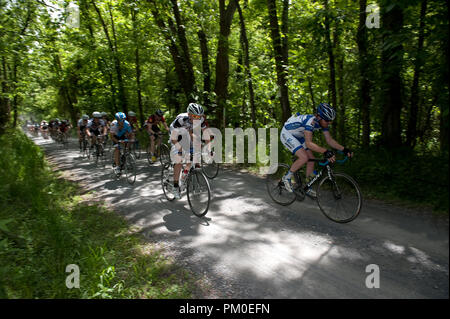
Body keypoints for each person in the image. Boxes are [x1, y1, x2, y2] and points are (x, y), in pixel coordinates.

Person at [280, 102, 353, 198]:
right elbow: (309, 144)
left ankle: (307, 187)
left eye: (330, 121)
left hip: (299, 136)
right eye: (327, 121)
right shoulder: (310, 121)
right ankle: (287, 177)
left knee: (311, 159)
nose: (329, 123)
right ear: (319, 117)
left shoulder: (323, 123)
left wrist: (344, 149)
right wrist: (326, 151)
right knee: (304, 157)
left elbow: (329, 140)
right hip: (287, 133)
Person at [169, 103, 208, 199]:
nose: (197, 118)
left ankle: (183, 176)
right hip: (176, 133)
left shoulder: (200, 120)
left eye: (199, 116)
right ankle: (175, 187)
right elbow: (174, 137)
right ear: (189, 114)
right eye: (194, 116)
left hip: (187, 133)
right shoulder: (181, 119)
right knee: (179, 159)